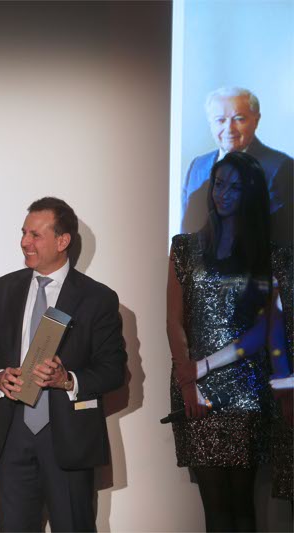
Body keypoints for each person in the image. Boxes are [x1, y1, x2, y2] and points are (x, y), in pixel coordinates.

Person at [0, 197, 126, 532]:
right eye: (23, 233)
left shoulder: (97, 298)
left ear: (62, 241)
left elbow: (114, 369)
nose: (25, 242)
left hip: (69, 439)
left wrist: (67, 379)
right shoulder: (5, 288)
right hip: (12, 436)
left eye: (35, 235)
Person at [167, 151, 281, 530]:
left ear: (249, 194)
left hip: (245, 388)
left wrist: (200, 368)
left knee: (242, 506)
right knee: (213, 507)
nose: (223, 194)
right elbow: (173, 320)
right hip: (195, 388)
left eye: (234, 187)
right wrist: (188, 383)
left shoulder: (266, 255)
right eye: (219, 184)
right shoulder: (185, 247)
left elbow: (264, 331)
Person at [181, 87, 292, 247]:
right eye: (220, 120)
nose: (229, 129)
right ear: (210, 123)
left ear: (256, 120)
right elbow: (187, 230)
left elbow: (282, 239)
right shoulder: (197, 166)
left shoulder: (281, 168)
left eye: (239, 119)